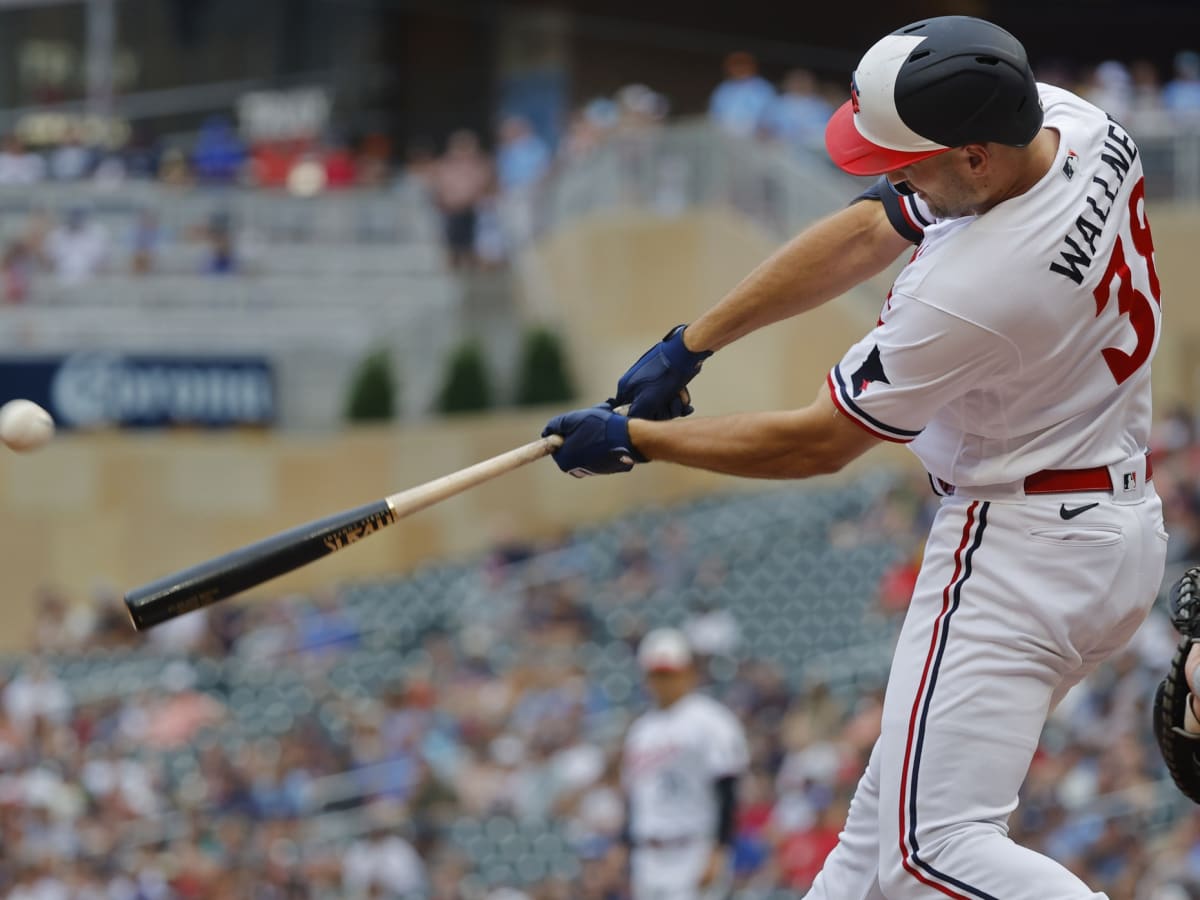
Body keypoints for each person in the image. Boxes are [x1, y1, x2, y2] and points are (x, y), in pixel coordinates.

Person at [542, 15, 1166, 899]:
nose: (891, 173)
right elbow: (875, 225)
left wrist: (638, 442)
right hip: (1103, 519)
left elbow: (818, 443)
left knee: (928, 854)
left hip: (1021, 542)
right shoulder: (1077, 125)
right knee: (872, 850)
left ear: (976, 154)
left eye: (906, 156)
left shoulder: (976, 288)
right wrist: (692, 344)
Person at [620, 628, 748, 899]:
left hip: (693, 849)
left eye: (669, 673)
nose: (663, 682)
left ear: (688, 672)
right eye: (656, 674)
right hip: (648, 854)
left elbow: (728, 789)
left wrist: (720, 850)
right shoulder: (640, 731)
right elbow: (634, 798)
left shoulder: (711, 721)